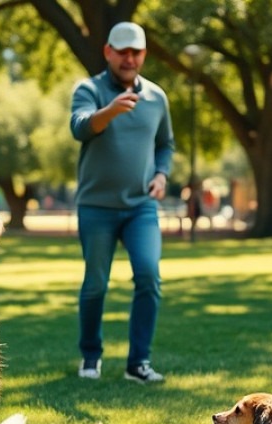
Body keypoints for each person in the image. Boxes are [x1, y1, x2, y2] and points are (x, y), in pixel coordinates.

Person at [69, 21, 175, 383]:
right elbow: (80, 127)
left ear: (144, 55)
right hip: (96, 207)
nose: (130, 58)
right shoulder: (90, 89)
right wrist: (110, 110)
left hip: (140, 207)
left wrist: (161, 174)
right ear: (108, 52)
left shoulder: (157, 97)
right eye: (123, 51)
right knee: (96, 283)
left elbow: (166, 144)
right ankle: (90, 356)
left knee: (149, 276)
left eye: (137, 52)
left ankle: (138, 363)